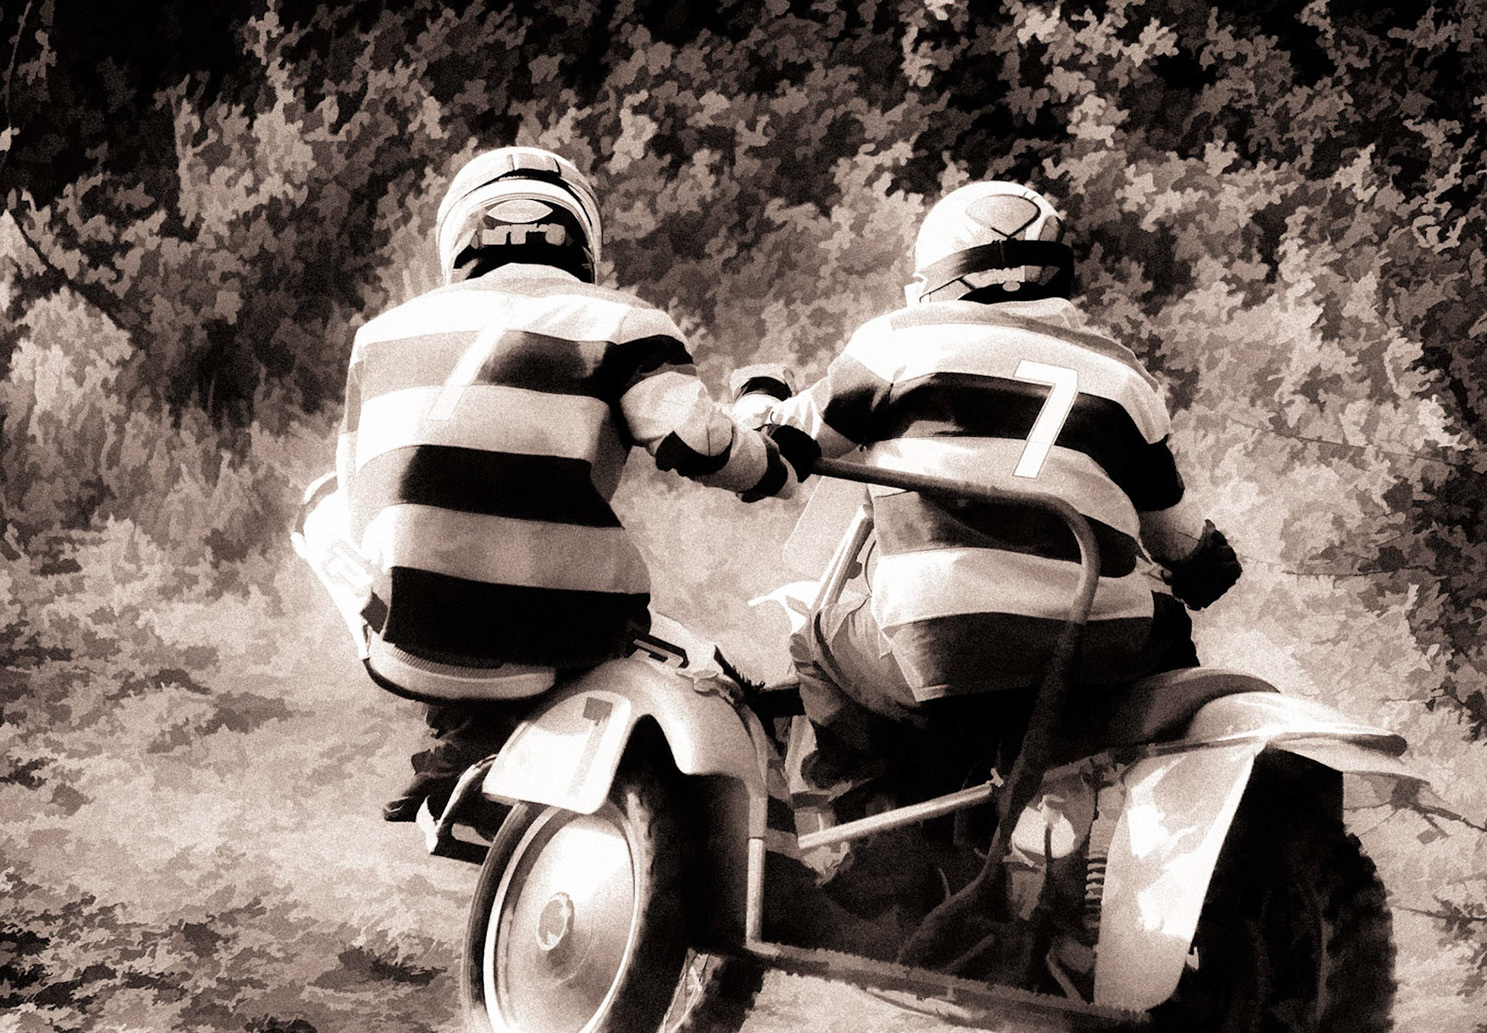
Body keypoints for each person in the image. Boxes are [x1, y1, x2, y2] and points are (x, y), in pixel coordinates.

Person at [332, 146, 795, 823]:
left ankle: (468, 737)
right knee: (719, 678)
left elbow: (356, 490)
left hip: (405, 634)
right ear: (581, 235)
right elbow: (701, 445)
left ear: (459, 234)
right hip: (561, 628)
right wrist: (770, 457)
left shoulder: (377, 338)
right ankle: (767, 863)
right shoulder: (625, 324)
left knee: (427, 542)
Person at [756, 179, 1243, 813]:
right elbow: (1179, 541)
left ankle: (880, 836)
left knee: (816, 640)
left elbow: (791, 440)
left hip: (946, 642)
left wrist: (756, 402)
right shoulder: (1123, 377)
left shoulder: (897, 342)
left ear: (936, 271)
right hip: (1094, 649)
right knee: (1166, 625)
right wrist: (1207, 563)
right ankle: (1167, 796)